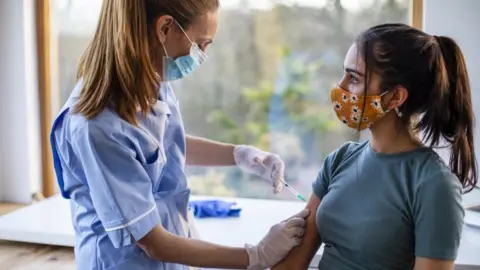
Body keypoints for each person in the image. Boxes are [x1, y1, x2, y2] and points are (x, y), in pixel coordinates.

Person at [49, 0, 309, 269]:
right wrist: (257, 255)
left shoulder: (153, 77)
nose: (203, 55)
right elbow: (154, 242)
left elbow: (162, 147)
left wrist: (238, 154)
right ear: (165, 28)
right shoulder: (96, 126)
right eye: (201, 44)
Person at [272, 23, 477, 270]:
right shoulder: (340, 159)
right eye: (344, 75)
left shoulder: (434, 184)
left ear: (394, 97)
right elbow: (293, 263)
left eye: (354, 78)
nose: (341, 88)